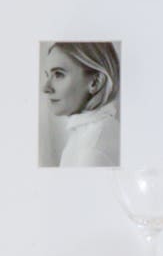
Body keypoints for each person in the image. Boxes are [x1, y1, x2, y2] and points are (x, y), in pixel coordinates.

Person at [38, 37, 121, 169]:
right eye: (47, 75)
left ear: (95, 82)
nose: (45, 88)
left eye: (59, 74)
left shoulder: (92, 150)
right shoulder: (88, 134)